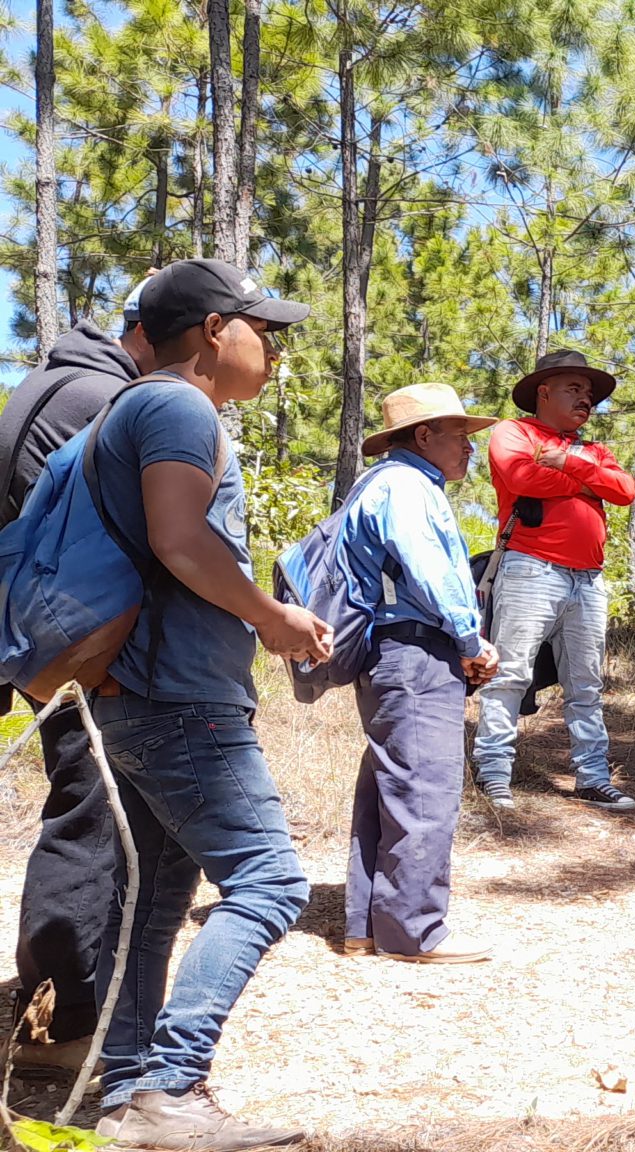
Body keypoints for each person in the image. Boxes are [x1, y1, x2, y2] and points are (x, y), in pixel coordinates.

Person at [84, 259, 329, 1148]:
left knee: (151, 901)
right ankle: (171, 1085)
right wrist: (274, 621)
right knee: (269, 882)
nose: (272, 347)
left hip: (140, 690)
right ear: (212, 330)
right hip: (181, 697)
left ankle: (126, 1095)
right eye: (262, 328)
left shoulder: (134, 408)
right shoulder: (178, 406)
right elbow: (181, 541)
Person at [3, 273, 158, 1069]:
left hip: (35, 637)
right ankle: (65, 1025)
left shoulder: (49, 381)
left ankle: (53, 1003)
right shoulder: (101, 399)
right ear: (147, 332)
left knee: (82, 805)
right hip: (74, 645)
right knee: (93, 810)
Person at [340, 384, 502, 964]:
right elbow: (430, 570)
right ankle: (411, 934)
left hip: (390, 652)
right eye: (459, 435)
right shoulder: (406, 487)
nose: (469, 448)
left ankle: (366, 925)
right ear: (424, 435)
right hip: (414, 651)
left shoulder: (382, 484)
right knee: (425, 789)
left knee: (389, 785)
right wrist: (468, 638)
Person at [472, 349, 635, 811]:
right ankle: (493, 773)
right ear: (543, 393)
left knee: (586, 685)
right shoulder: (514, 432)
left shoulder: (590, 449)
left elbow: (624, 490)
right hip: (531, 567)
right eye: (574, 389)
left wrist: (568, 465)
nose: (586, 399)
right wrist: (590, 480)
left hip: (589, 579)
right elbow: (520, 476)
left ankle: (592, 776)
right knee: (509, 675)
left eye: (589, 393)